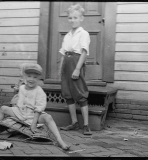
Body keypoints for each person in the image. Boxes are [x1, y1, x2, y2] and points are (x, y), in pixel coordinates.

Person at [0, 63, 70, 150]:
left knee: (48, 117)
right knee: (3, 108)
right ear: (25, 77)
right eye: (29, 76)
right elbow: (18, 102)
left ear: (39, 79)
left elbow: (39, 109)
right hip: (20, 113)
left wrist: (34, 124)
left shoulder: (39, 91)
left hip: (33, 115)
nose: (31, 79)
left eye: (35, 77)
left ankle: (59, 140)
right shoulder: (22, 88)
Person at [58, 4, 92, 135]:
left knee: (80, 93)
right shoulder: (67, 35)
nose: (72, 20)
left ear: (81, 18)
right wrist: (61, 70)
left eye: (75, 17)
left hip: (76, 63)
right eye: (70, 18)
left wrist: (77, 69)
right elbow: (63, 53)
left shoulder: (83, 34)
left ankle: (86, 125)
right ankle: (74, 122)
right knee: (67, 93)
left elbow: (84, 52)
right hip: (66, 64)